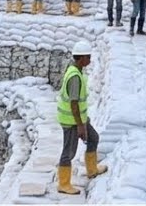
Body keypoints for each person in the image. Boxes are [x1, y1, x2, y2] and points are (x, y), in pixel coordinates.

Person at [56, 40, 108, 195]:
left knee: (93, 138)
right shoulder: (74, 77)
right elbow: (73, 104)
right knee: (69, 152)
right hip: (71, 120)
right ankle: (63, 184)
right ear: (81, 58)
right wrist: (80, 126)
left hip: (80, 118)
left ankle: (92, 169)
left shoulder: (76, 70)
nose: (90, 60)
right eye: (88, 57)